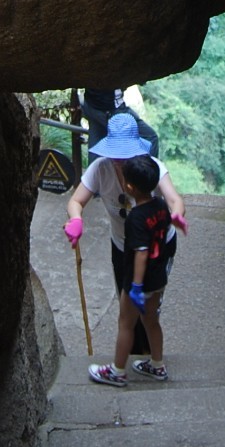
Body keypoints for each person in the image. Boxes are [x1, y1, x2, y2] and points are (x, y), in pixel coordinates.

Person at [64, 113, 188, 362]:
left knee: (148, 301)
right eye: (115, 155)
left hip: (156, 245)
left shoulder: (148, 168)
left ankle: (148, 358)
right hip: (122, 245)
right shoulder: (100, 169)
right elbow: (76, 200)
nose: (119, 161)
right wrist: (76, 219)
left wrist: (176, 214)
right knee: (127, 303)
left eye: (125, 155)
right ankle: (134, 354)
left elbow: (174, 199)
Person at [87, 154, 171, 385]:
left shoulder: (135, 218)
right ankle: (157, 365)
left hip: (140, 282)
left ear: (130, 187)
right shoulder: (162, 206)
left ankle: (117, 371)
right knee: (151, 321)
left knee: (126, 324)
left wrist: (135, 286)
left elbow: (141, 253)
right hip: (158, 279)